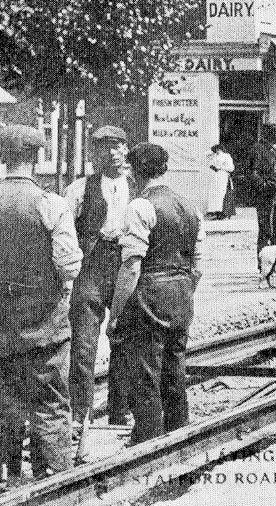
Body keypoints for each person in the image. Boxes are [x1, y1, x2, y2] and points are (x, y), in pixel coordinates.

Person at [0, 125, 83, 479]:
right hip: (45, 318)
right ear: (36, 156)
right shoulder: (52, 204)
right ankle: (56, 481)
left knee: (5, 401)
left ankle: (3, 477)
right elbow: (68, 262)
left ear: (2, 157)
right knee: (50, 403)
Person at [108, 143, 203, 444]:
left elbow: (131, 267)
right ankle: (178, 432)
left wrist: (117, 311)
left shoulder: (139, 207)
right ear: (164, 169)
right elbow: (198, 264)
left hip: (149, 295)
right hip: (182, 294)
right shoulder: (191, 206)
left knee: (145, 371)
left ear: (135, 172)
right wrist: (184, 292)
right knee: (175, 368)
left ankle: (147, 439)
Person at [63, 125, 134, 430]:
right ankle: (81, 413)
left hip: (126, 266)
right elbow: (64, 230)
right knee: (83, 345)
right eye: (104, 147)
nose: (112, 153)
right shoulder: (79, 189)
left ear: (126, 150)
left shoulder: (138, 187)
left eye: (117, 146)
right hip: (91, 267)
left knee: (126, 340)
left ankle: (121, 410)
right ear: (93, 154)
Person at [250, 123, 276, 253]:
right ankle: (263, 262)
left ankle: (275, 260)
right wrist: (265, 187)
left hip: (275, 194)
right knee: (266, 229)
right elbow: (254, 173)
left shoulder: (273, 150)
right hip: (265, 196)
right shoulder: (258, 149)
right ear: (271, 134)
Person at [206, 144, 234, 220]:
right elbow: (207, 158)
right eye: (216, 149)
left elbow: (231, 168)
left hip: (223, 176)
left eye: (219, 149)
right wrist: (212, 166)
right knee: (214, 194)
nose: (218, 151)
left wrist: (221, 167)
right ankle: (215, 211)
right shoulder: (214, 156)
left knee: (222, 193)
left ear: (222, 149)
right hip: (215, 177)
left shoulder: (226, 156)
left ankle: (223, 212)